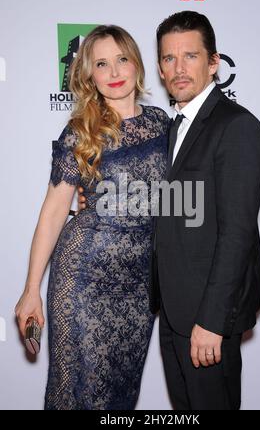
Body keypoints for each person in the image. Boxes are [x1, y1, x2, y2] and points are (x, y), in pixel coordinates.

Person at [15, 25, 169, 410]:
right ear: (89, 75)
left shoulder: (163, 124)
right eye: (102, 63)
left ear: (136, 63)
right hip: (84, 277)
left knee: (120, 398)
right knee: (76, 394)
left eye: (121, 59)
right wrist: (31, 288)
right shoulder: (80, 132)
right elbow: (52, 212)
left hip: (140, 286)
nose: (114, 72)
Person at [150, 11, 260, 410]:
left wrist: (212, 322)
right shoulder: (173, 128)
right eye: (169, 58)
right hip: (173, 313)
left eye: (191, 56)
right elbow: (172, 209)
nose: (179, 68)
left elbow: (237, 234)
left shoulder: (236, 126)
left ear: (214, 63)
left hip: (206, 321)